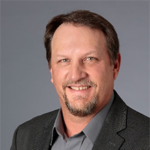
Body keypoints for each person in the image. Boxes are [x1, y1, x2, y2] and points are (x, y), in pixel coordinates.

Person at [10, 10, 150, 150]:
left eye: (90, 59)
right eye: (64, 60)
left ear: (115, 65)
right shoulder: (24, 136)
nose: (75, 75)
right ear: (51, 70)